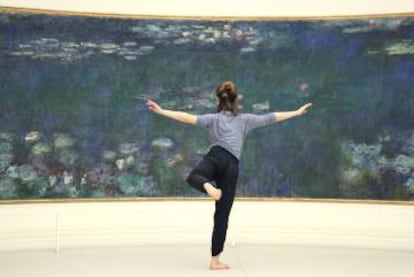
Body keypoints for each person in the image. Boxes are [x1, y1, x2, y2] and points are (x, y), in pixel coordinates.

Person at [146, 81, 312, 270]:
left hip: (215, 157)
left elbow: (187, 117)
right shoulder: (245, 119)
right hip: (231, 166)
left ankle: (208, 187)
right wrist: (297, 112)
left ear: (217, 100)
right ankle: (215, 260)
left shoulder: (213, 118)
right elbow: (271, 117)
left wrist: (161, 111)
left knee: (194, 177)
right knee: (222, 215)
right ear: (235, 100)